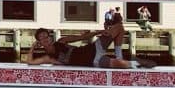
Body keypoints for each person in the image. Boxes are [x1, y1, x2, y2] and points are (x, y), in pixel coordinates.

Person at [28, 24, 156, 69]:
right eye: (43, 39)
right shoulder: (48, 58)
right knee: (120, 65)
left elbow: (82, 37)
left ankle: (120, 55)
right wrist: (33, 47)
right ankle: (135, 63)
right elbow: (30, 61)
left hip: (93, 48)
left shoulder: (62, 41)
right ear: (40, 43)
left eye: (47, 36)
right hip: (93, 61)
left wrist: (100, 32)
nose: (47, 39)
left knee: (119, 27)